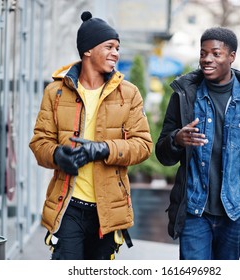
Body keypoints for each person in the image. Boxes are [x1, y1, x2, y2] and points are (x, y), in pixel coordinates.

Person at [29, 11, 152, 260]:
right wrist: (57, 155)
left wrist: (103, 149)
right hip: (68, 206)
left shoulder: (129, 93)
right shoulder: (56, 92)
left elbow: (143, 145)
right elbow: (39, 142)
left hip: (108, 211)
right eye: (109, 46)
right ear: (87, 50)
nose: (116, 53)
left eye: (117, 47)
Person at [155, 27, 240, 260]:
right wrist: (176, 140)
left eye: (216, 54)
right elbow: (163, 155)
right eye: (203, 53)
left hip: (235, 212)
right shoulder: (185, 95)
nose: (207, 59)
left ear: (232, 56)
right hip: (195, 211)